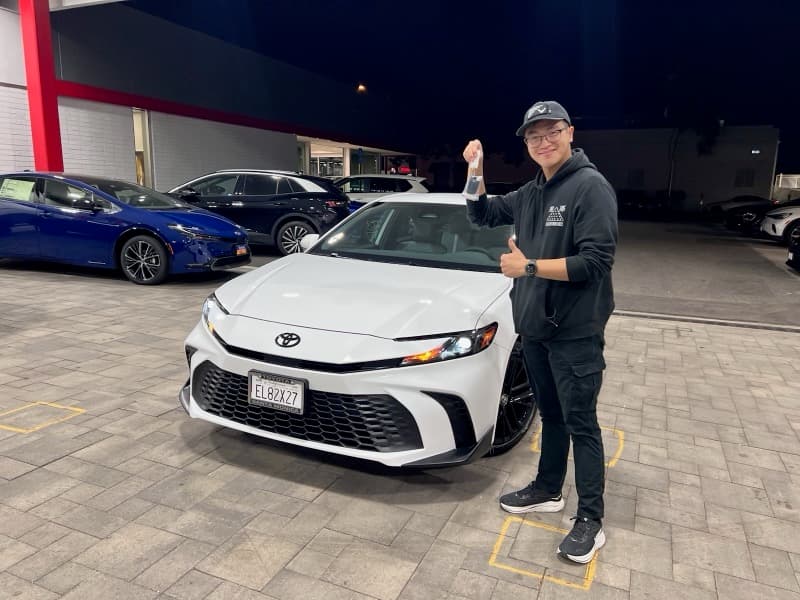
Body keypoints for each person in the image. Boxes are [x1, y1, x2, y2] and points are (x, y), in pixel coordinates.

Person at [462, 100, 617, 564]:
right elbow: (481, 213)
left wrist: (527, 266)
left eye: (551, 132)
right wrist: (476, 169)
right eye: (534, 136)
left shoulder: (591, 188)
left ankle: (591, 518)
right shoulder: (532, 193)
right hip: (535, 330)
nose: (543, 142)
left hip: (575, 334)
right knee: (550, 416)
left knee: (581, 423)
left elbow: (595, 262)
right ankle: (549, 488)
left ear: (570, 132)